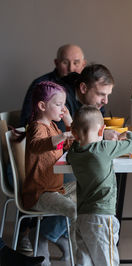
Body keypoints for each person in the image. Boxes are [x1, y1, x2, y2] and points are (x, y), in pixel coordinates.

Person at [67, 105, 132, 265]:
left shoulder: (74, 154)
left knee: (84, 260)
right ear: (102, 131)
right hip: (102, 217)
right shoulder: (104, 148)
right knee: (107, 260)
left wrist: (75, 136)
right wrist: (126, 133)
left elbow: (72, 148)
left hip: (82, 217)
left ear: (74, 133)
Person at [22, 81, 76, 265]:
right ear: (42, 106)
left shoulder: (53, 126)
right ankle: (80, 252)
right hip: (39, 192)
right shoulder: (37, 127)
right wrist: (62, 136)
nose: (63, 108)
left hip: (55, 188)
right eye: (59, 104)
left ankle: (46, 236)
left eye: (64, 104)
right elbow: (37, 145)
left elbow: (70, 144)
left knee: (87, 191)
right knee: (73, 209)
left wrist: (69, 123)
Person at [20, 44, 86, 128]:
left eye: (76, 63)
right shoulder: (42, 85)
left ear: (83, 64)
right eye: (65, 62)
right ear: (56, 63)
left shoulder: (86, 87)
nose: (71, 68)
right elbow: (27, 120)